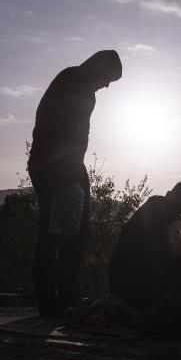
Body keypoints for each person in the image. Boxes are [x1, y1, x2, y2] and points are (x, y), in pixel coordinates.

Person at [29, 50, 122, 315]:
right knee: (59, 233)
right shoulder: (76, 83)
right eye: (108, 79)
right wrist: (68, 173)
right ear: (98, 67)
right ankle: (56, 298)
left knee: (65, 232)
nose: (105, 86)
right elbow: (67, 131)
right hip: (59, 166)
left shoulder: (72, 80)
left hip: (59, 164)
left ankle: (60, 295)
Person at [108, 179, 181, 311]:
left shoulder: (170, 217)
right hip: (131, 286)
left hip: (136, 284)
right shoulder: (154, 209)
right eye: (179, 200)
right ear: (169, 194)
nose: (178, 205)